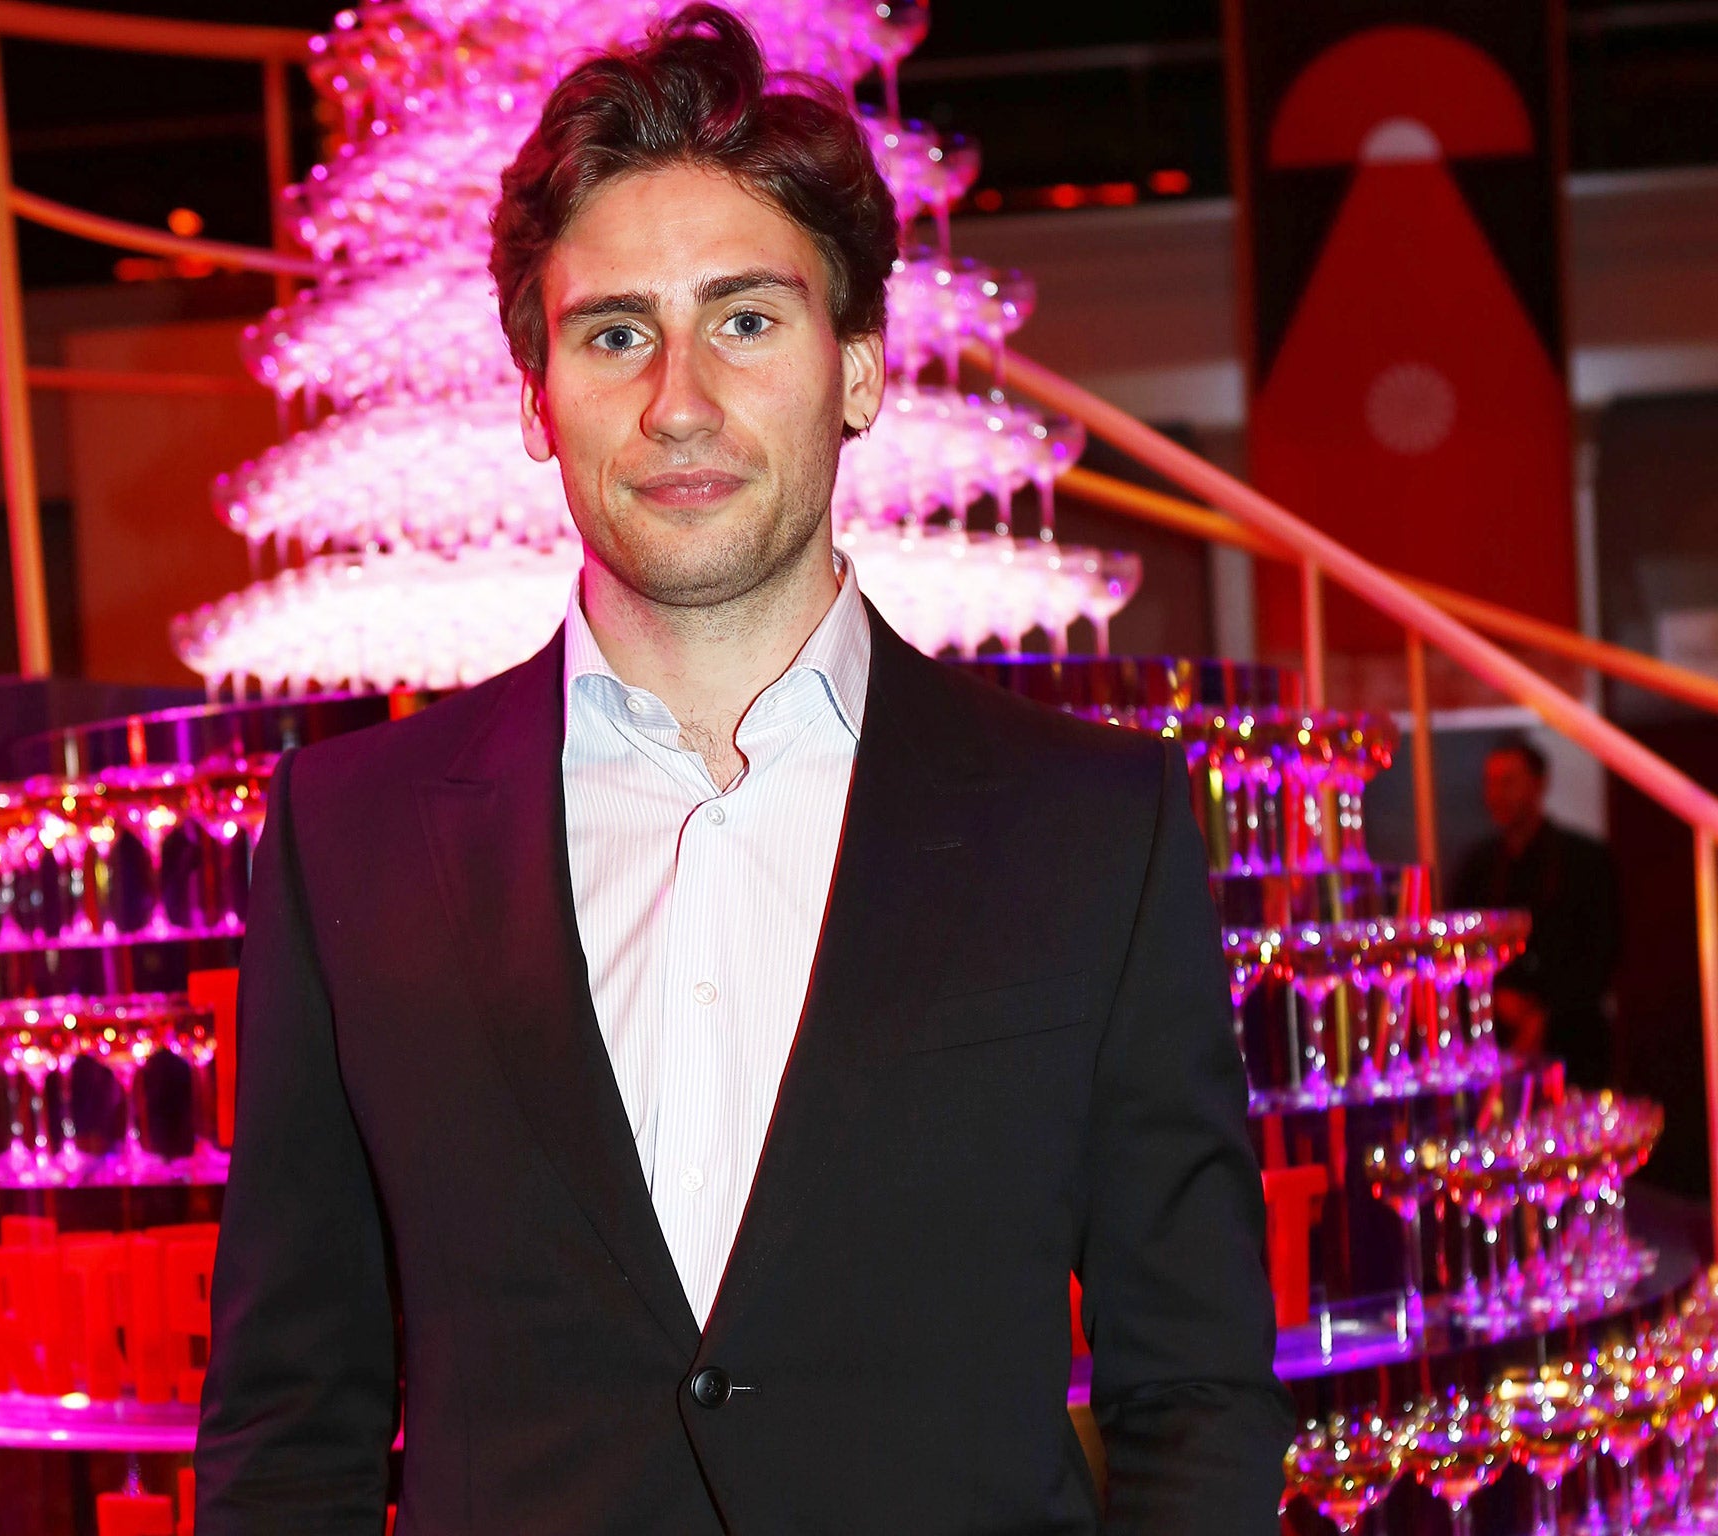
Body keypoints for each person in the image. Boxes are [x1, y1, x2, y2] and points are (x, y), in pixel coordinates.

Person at [193, 8, 1293, 1532]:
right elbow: (287, 1424)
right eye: (616, 332)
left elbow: (1198, 1400)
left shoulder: (1096, 830)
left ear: (858, 371)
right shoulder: (347, 839)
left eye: (748, 320)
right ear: (535, 397)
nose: (679, 403)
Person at [1451, 734, 1622, 1089]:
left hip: (1575, 1042)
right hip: (1495, 1041)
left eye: (1508, 782)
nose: (1496, 795)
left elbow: (1605, 951)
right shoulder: (1475, 868)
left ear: (1539, 784)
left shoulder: (1585, 860)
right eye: (1491, 783)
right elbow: (1454, 954)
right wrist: (1495, 997)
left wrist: (1547, 1014)